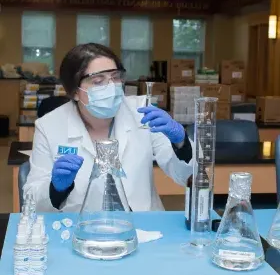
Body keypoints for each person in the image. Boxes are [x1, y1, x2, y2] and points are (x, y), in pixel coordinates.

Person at [24, 43, 193, 212]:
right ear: (75, 91)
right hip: (79, 229)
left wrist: (182, 143)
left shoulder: (142, 112)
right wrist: (56, 189)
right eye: (98, 81)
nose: (112, 87)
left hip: (143, 227)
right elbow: (32, 200)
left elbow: (187, 175)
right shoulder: (49, 126)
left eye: (115, 77)